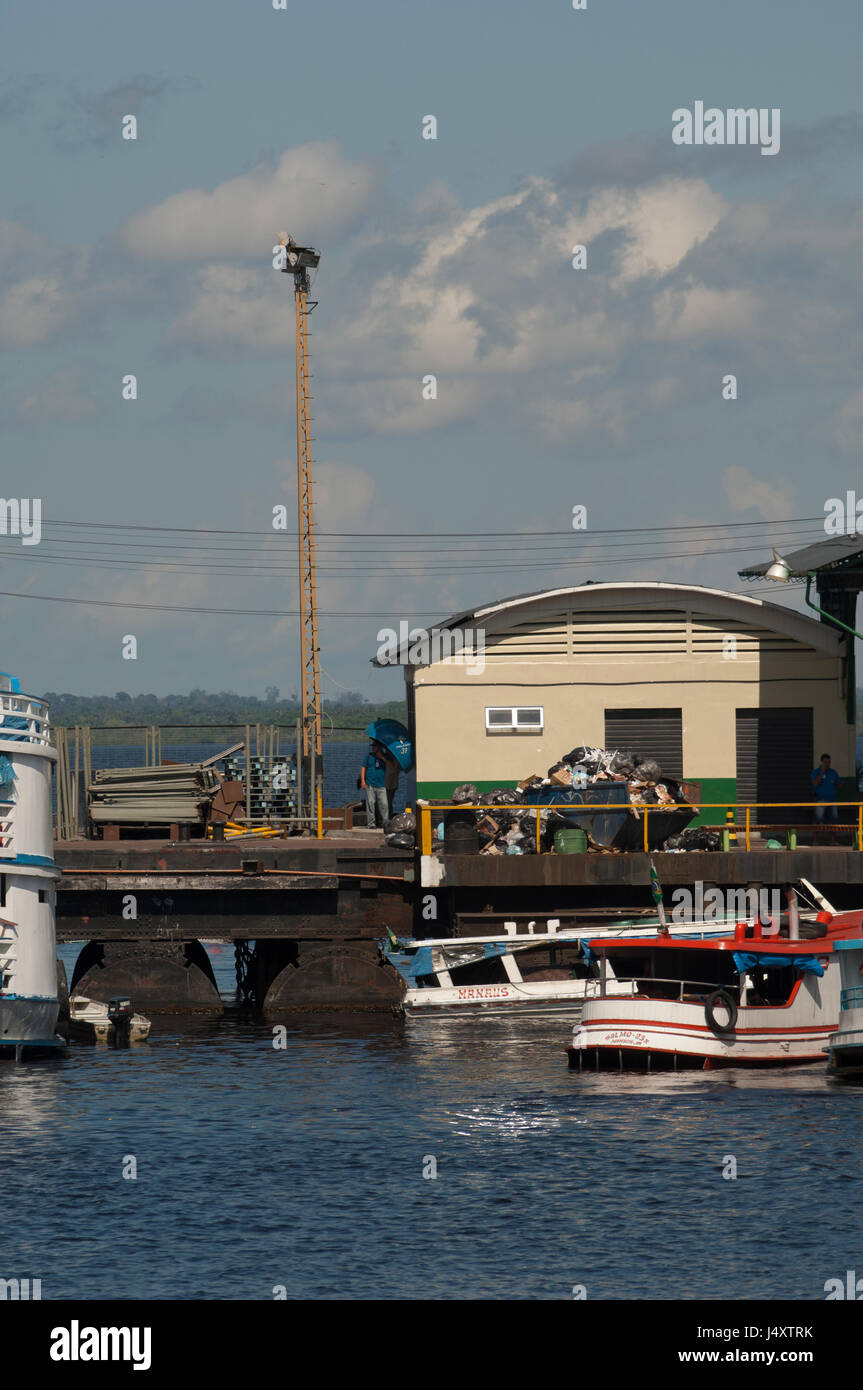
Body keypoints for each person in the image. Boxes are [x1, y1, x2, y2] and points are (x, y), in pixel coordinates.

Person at [360, 739, 389, 829]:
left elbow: (391, 765)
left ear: (379, 747)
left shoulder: (385, 757)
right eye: (372, 746)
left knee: (384, 804)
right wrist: (363, 781)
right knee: (370, 803)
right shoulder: (369, 756)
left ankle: (385, 823)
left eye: (374, 746)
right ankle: (371, 824)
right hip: (370, 784)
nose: (373, 748)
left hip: (381, 785)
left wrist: (382, 757)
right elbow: (363, 768)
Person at [811, 753, 841, 829]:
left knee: (833, 820)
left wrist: (841, 783)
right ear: (821, 762)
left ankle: (833, 840)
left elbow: (839, 784)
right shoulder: (816, 772)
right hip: (820, 799)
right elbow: (815, 783)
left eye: (829, 762)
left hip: (832, 800)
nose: (827, 764)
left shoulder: (833, 772)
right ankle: (815, 840)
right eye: (825, 762)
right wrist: (822, 772)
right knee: (817, 819)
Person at [384, 749, 400, 818]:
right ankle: (385, 817)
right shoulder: (386, 757)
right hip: (385, 784)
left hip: (391, 785)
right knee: (386, 803)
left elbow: (394, 769)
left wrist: (385, 759)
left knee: (388, 802)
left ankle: (388, 817)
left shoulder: (395, 759)